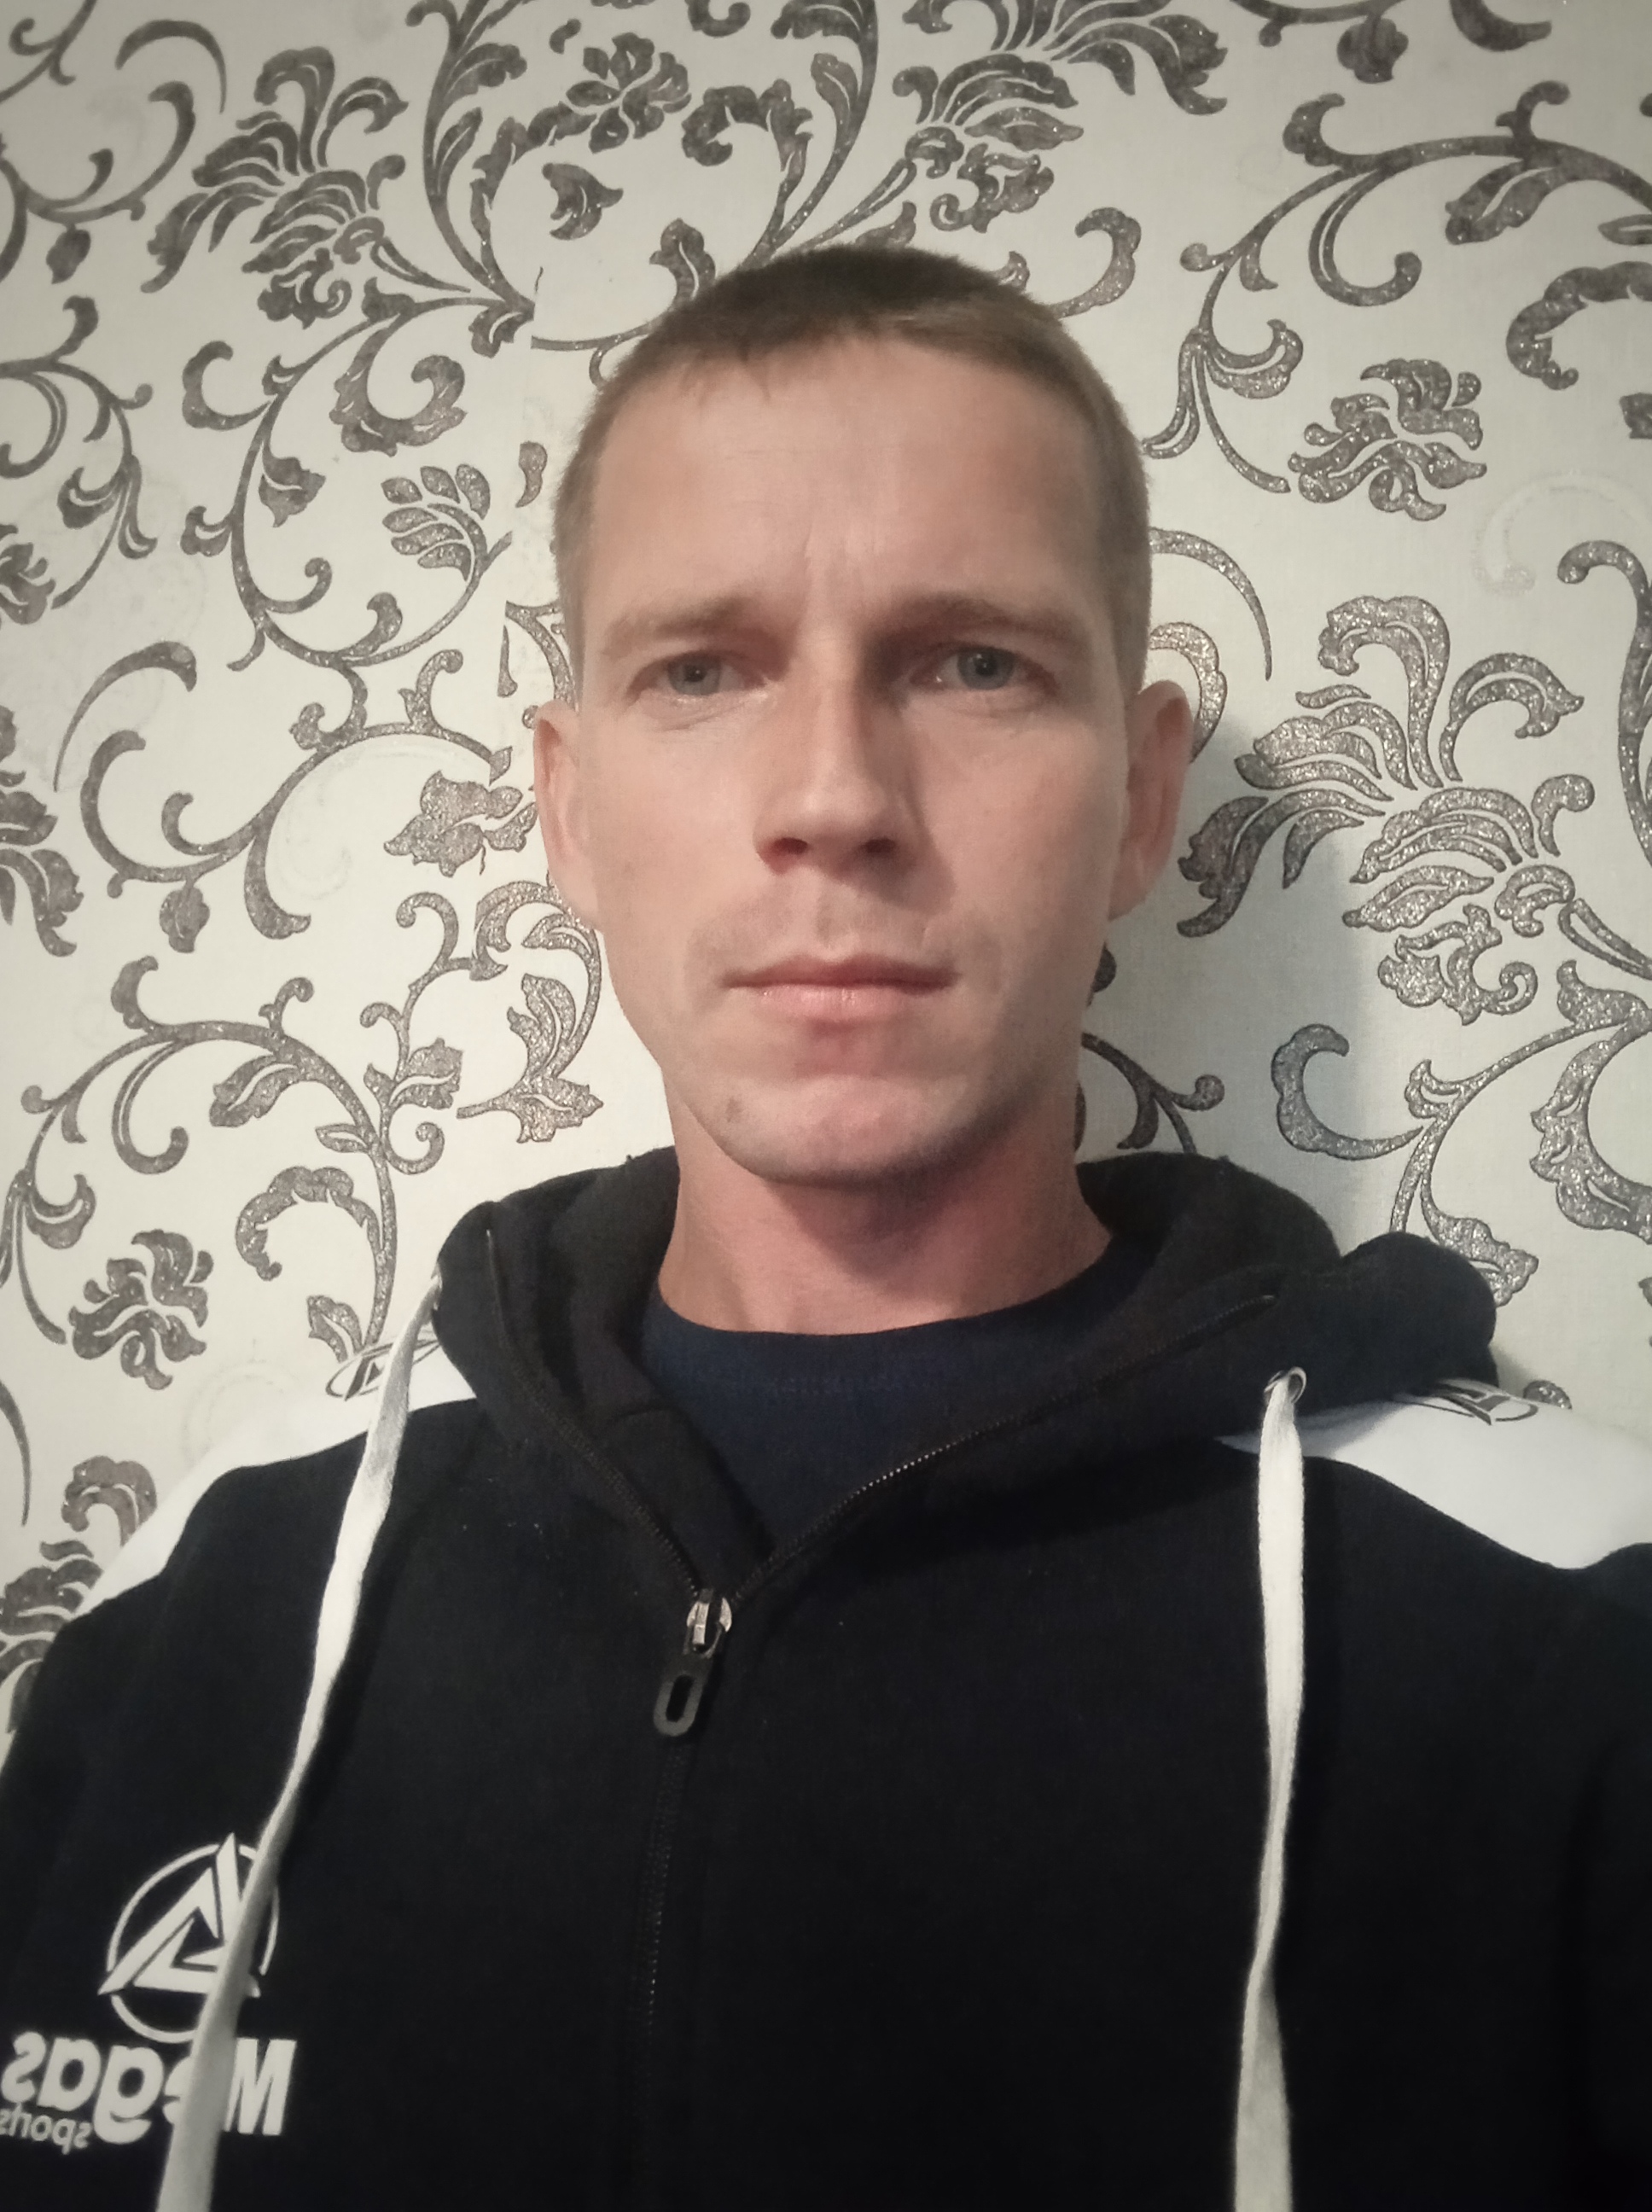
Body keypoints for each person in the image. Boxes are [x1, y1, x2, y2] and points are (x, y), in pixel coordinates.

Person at [1, 243, 1649, 2212]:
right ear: (568, 811)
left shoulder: (1573, 1636)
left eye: (970, 663)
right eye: (701, 670)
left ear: (1139, 801)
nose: (832, 796)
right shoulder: (204, 1604)